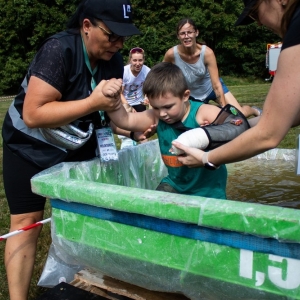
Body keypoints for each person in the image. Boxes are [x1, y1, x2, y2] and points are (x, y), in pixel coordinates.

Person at [1, 0, 146, 299]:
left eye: (123, 38)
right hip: (29, 146)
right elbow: (33, 114)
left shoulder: (113, 59)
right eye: (112, 35)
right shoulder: (59, 50)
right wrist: (93, 102)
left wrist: (144, 122)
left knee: (85, 218)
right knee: (26, 224)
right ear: (87, 26)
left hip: (76, 143)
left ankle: (80, 288)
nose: (118, 44)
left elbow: (112, 113)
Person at [172, 0, 300, 171]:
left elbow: (268, 134)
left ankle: (250, 109)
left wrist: (207, 157)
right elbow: (290, 116)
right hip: (195, 91)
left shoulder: (297, 29)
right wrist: (226, 129)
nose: (259, 23)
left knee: (235, 112)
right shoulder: (172, 54)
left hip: (210, 89)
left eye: (255, 13)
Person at [107, 62, 228, 199]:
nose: (162, 113)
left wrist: (213, 132)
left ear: (185, 96)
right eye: (156, 107)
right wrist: (112, 97)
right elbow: (124, 120)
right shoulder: (156, 117)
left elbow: (238, 127)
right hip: (175, 184)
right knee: (152, 211)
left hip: (208, 189)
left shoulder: (203, 113)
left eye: (168, 107)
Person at [163, 18, 262, 118]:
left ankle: (253, 110)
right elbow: (161, 75)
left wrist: (224, 109)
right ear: (178, 36)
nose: (186, 36)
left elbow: (216, 84)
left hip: (211, 89)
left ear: (196, 33)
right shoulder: (171, 54)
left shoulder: (207, 53)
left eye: (190, 32)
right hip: (192, 95)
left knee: (238, 115)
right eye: (182, 33)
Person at [118, 47, 151, 149]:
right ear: (130, 60)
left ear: (143, 60)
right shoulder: (124, 71)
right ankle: (126, 149)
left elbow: (150, 88)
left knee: (143, 132)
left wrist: (147, 97)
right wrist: (127, 106)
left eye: (140, 60)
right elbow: (119, 93)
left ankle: (146, 153)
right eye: (135, 60)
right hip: (125, 102)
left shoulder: (147, 71)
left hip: (139, 103)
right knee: (128, 131)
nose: (138, 63)